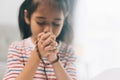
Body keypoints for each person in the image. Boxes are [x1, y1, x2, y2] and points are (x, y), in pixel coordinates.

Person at [3, 0, 77, 80]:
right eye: (41, 22)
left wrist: (55, 60)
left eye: (56, 23)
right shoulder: (17, 48)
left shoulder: (68, 52)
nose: (48, 30)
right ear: (27, 16)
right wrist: (37, 54)